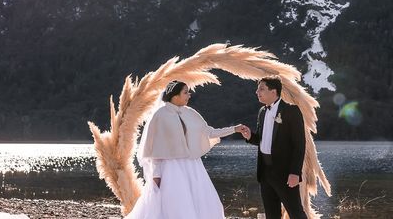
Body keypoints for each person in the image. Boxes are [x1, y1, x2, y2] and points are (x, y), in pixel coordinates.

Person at [127, 80, 247, 219]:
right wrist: (156, 176)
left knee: (202, 202)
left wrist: (234, 129)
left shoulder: (190, 113)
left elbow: (210, 132)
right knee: (177, 206)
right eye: (185, 92)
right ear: (174, 95)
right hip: (172, 169)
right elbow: (155, 150)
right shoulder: (160, 116)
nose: (189, 95)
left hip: (193, 166)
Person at [236, 77, 307, 219]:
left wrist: (295, 172)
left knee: (296, 213)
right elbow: (262, 140)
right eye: (257, 89)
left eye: (261, 89)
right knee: (271, 215)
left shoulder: (291, 111)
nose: (257, 92)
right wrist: (250, 136)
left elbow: (299, 145)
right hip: (265, 173)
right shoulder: (262, 111)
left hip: (285, 174)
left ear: (274, 91)